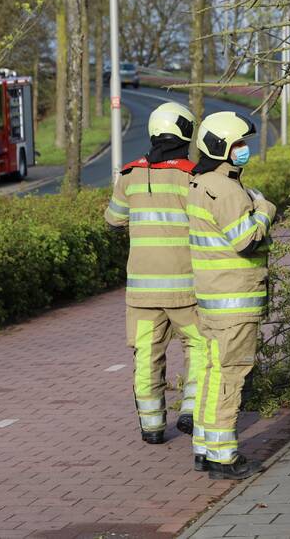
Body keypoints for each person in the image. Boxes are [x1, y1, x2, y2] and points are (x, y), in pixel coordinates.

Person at [104, 102, 207, 451]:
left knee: (146, 355)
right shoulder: (193, 175)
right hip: (187, 289)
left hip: (142, 293)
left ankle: (152, 427)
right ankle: (191, 410)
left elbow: (114, 220)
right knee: (199, 346)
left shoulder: (129, 175)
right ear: (185, 133)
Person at [187, 111, 276, 480]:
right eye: (238, 143)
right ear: (221, 147)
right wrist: (265, 211)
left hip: (211, 299)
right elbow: (245, 240)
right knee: (231, 375)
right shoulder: (226, 189)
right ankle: (224, 457)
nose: (244, 149)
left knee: (211, 372)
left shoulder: (200, 183)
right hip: (235, 300)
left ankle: (205, 446)